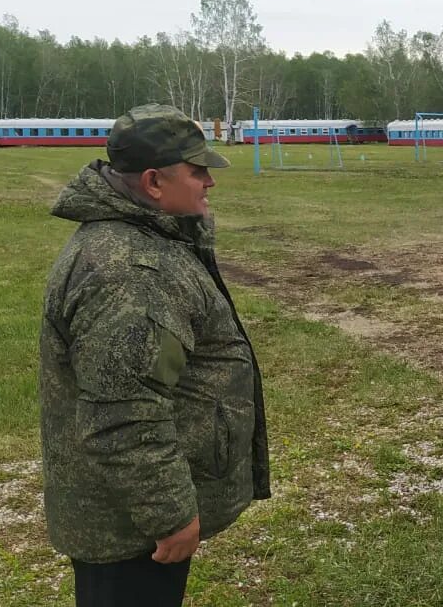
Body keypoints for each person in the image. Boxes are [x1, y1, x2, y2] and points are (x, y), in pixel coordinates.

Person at [39, 104, 270, 607]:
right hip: (131, 529)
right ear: (153, 182)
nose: (210, 181)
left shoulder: (142, 241)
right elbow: (124, 413)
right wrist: (168, 514)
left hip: (125, 515)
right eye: (196, 170)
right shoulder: (134, 273)